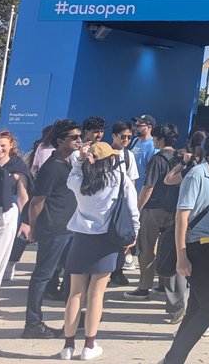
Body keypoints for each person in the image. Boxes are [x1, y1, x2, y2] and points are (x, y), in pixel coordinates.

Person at [159, 128, 209, 364]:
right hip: (197, 247)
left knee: (197, 307)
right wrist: (181, 255)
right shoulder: (196, 174)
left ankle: (173, 359)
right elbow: (181, 216)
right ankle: (173, 358)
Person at [61, 140, 140, 361]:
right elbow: (133, 209)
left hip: (81, 238)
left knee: (75, 293)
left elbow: (71, 178)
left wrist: (79, 160)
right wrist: (134, 232)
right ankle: (89, 344)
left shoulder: (79, 181)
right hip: (107, 240)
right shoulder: (119, 179)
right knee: (97, 294)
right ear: (111, 159)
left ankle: (68, 345)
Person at [24, 119, 81, 338]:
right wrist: (33, 229)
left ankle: (73, 316)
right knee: (43, 275)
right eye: (73, 137)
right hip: (53, 229)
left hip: (69, 228)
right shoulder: (52, 166)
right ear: (60, 141)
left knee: (72, 275)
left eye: (79, 136)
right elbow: (37, 201)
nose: (79, 140)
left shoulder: (69, 163)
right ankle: (33, 323)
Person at [122, 122, 182, 309]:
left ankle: (144, 287)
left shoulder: (157, 159)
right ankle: (164, 284)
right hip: (174, 210)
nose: (154, 141)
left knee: (147, 249)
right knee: (167, 249)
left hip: (154, 209)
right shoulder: (180, 159)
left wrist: (138, 208)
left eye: (155, 138)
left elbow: (148, 187)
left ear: (161, 139)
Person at [0, 129, 30, 305]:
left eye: (2, 146)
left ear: (11, 146)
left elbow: (23, 196)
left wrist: (26, 222)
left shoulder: (18, 166)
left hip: (5, 215)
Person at [107, 121, 139, 288]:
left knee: (121, 238)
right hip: (105, 205)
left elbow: (132, 181)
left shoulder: (129, 156)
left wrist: (130, 204)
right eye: (123, 136)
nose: (126, 139)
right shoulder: (104, 153)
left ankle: (117, 271)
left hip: (122, 204)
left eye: (129, 137)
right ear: (114, 136)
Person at [130, 115, 157, 190]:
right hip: (131, 186)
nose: (135, 128)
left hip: (140, 189)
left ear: (149, 127)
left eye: (139, 126)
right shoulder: (135, 140)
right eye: (135, 125)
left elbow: (152, 172)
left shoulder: (152, 145)